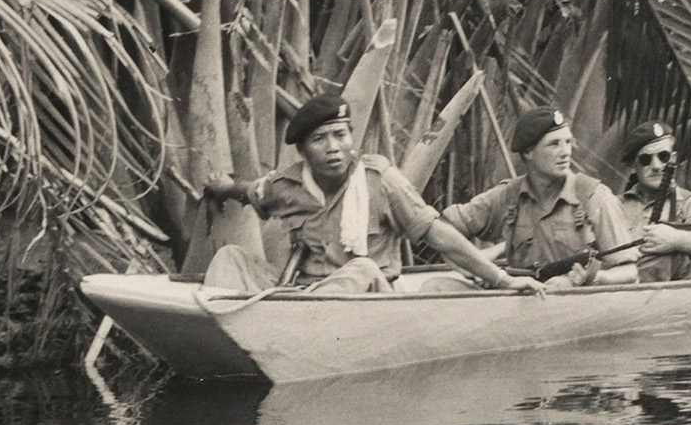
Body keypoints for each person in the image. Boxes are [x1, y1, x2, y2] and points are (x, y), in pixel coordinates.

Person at [201, 94, 541, 295]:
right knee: (231, 258)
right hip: (305, 294)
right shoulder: (287, 186)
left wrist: (501, 279)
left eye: (340, 135)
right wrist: (224, 188)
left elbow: (439, 235)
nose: (333, 148)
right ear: (303, 151)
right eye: (320, 139)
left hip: (371, 298)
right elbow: (251, 191)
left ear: (352, 137)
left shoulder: (381, 180)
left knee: (360, 268)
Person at [438, 106, 639, 289]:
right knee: (438, 286)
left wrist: (589, 279)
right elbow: (443, 228)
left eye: (568, 142)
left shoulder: (594, 198)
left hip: (579, 308)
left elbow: (628, 272)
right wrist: (477, 268)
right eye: (554, 144)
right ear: (528, 152)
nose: (565, 152)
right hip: (521, 300)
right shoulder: (509, 196)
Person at [616, 121, 691, 281]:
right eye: (645, 159)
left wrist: (673, 239)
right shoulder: (615, 205)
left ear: (673, 159)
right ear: (634, 167)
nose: (656, 166)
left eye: (663, 156)